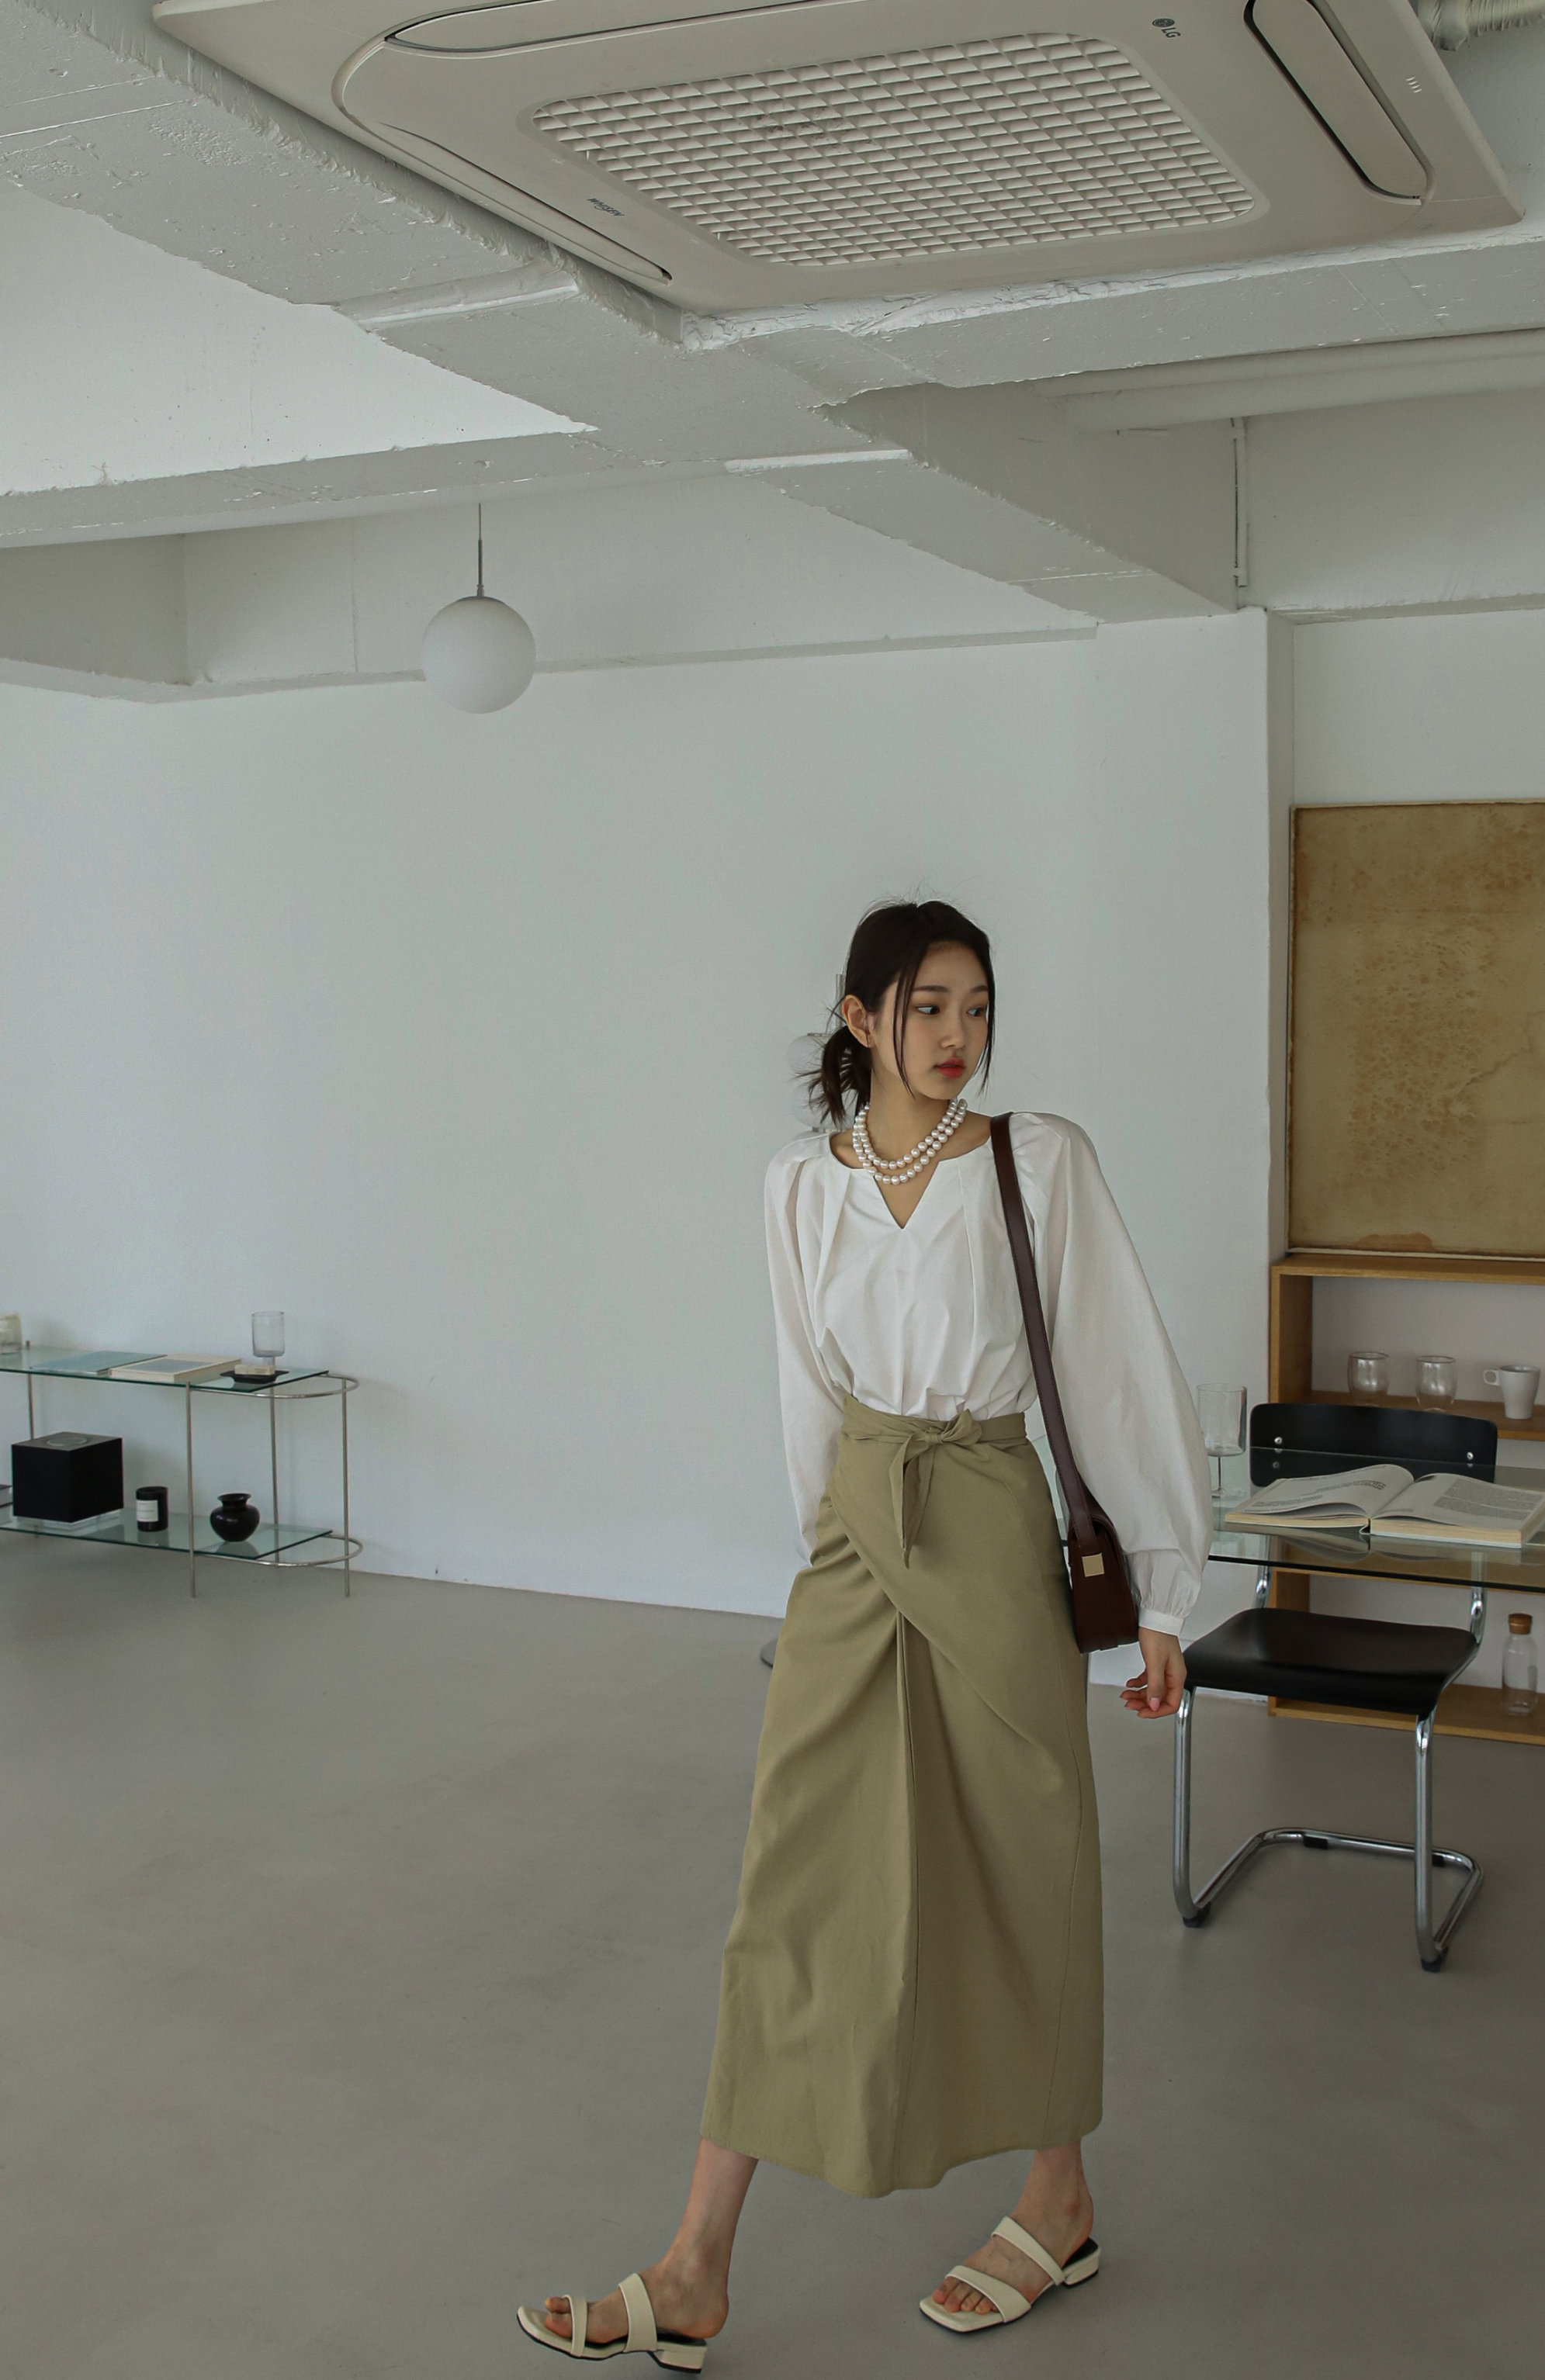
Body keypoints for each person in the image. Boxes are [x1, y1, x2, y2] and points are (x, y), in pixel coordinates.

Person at [519, 899, 1212, 2367]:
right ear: (860, 1019)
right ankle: (696, 2260)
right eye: (929, 1008)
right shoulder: (794, 1185)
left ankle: (1057, 2196)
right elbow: (804, 1392)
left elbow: (1116, 1371)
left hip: (991, 1527)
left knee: (1024, 1869)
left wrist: (1160, 1590)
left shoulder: (1038, 1162)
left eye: (978, 1008)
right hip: (855, 1539)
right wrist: (822, 1564)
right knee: (792, 1888)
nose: (958, 1037)